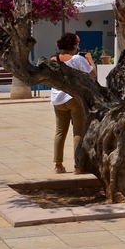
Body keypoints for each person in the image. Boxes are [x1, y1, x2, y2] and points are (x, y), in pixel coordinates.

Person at [50, 33, 96, 174]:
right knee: (78, 132)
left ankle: (58, 164)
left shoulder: (53, 59)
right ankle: (78, 165)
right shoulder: (77, 59)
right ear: (73, 46)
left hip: (57, 99)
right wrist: (90, 60)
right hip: (74, 98)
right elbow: (92, 74)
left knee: (60, 132)